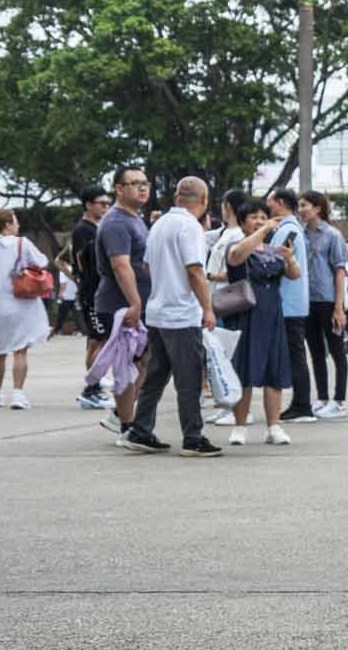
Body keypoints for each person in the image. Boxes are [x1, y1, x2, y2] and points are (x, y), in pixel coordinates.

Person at [124, 177, 225, 458]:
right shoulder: (190, 227)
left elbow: (145, 265)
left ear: (177, 196)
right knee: (189, 378)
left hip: (157, 311)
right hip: (181, 315)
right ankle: (192, 437)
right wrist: (207, 308)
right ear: (203, 200)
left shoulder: (160, 224)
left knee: (156, 375)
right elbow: (195, 271)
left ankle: (141, 429)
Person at [217, 192, 294, 447]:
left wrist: (289, 258)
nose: (260, 221)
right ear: (242, 222)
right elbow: (236, 256)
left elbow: (294, 274)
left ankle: (274, 427)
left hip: (272, 314)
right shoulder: (238, 246)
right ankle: (240, 427)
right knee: (244, 371)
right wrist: (263, 232)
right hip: (245, 315)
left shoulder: (274, 251)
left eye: (264, 217)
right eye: (254, 217)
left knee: (274, 371)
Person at [94, 166, 154, 434]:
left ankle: (121, 415)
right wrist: (135, 302)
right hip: (120, 304)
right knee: (126, 365)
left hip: (135, 302)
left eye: (145, 183)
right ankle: (127, 426)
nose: (142, 188)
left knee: (144, 361)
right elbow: (121, 265)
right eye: (134, 183)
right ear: (119, 188)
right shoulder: (116, 222)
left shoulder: (134, 218)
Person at [0, 210, 50, 407]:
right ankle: (17, 394)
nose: (18, 226)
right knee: (20, 350)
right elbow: (42, 262)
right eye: (15, 222)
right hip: (20, 303)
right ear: (7, 225)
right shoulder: (22, 243)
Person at [297, 191, 348, 419]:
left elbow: (340, 272)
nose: (300, 210)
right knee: (316, 352)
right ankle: (322, 398)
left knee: (337, 351)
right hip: (306, 301)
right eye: (299, 206)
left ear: (318, 208)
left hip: (329, 301)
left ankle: (339, 401)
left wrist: (339, 308)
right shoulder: (298, 234)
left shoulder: (332, 235)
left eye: (304, 205)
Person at [265, 188, 316, 421]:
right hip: (291, 302)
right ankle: (300, 403)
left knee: (295, 355)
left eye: (270, 202)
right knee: (295, 354)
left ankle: (302, 404)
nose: (268, 206)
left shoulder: (288, 230)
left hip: (288, 303)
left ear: (281, 203)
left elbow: (277, 262)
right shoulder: (291, 228)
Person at [70, 185, 111, 410]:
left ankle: (95, 387)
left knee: (101, 340)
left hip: (102, 292)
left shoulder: (99, 226)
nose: (106, 207)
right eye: (101, 203)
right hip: (92, 293)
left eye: (108, 203)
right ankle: (91, 389)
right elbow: (81, 263)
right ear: (88, 204)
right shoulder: (83, 230)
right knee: (98, 340)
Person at [50, 257, 78, 339]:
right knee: (77, 314)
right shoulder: (74, 269)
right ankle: (80, 330)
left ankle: (56, 330)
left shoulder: (63, 270)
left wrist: (60, 294)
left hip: (66, 296)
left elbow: (63, 284)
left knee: (61, 315)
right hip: (75, 294)